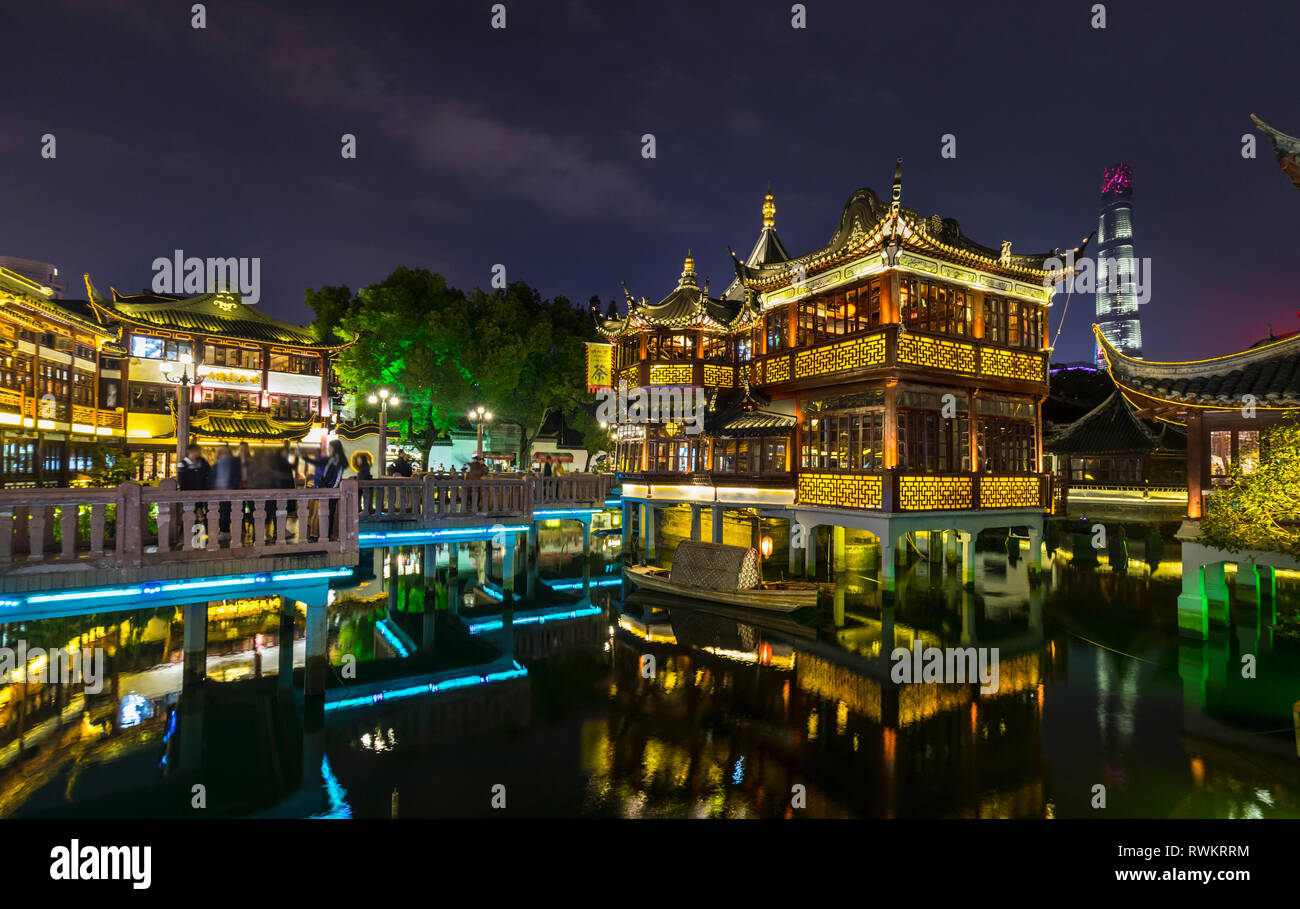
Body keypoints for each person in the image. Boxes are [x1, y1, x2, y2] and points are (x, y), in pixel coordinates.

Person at [320, 440, 348, 541]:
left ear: (335, 448)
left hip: (331, 491)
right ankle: (325, 534)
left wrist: (331, 489)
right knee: (326, 513)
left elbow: (337, 477)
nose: (328, 449)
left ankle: (328, 535)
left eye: (330, 447)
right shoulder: (332, 459)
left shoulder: (339, 460)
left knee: (329, 514)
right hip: (325, 489)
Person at [212, 444, 242, 538]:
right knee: (222, 512)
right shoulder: (218, 464)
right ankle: (224, 530)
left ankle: (226, 531)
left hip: (229, 491)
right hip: (220, 491)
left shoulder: (233, 463)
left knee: (228, 512)